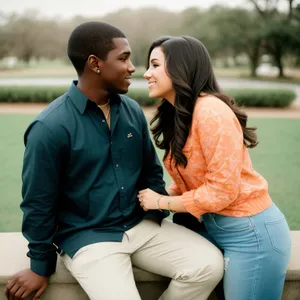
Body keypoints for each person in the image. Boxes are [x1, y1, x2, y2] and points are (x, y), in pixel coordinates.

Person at [5, 23, 224, 300]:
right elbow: (38, 202)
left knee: (209, 264)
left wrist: (154, 215)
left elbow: (151, 172)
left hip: (142, 226)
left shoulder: (131, 110)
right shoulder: (50, 127)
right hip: (89, 238)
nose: (133, 67)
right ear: (95, 64)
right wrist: (39, 266)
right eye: (123, 58)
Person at [140, 35, 292, 300]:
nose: (146, 73)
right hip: (211, 229)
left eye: (154, 65)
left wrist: (161, 202)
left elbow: (222, 191)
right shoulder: (179, 113)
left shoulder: (211, 111)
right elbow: (193, 180)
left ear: (181, 67)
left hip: (251, 235)